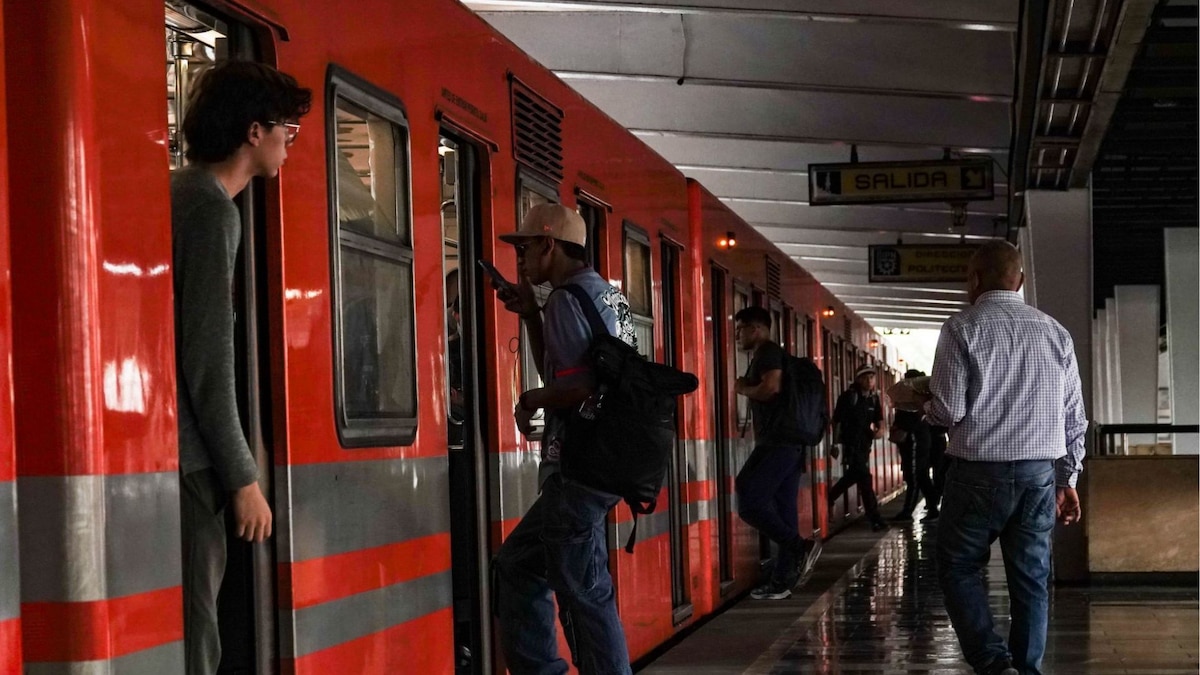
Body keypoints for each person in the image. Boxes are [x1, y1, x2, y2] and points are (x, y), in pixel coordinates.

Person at [171, 60, 311, 675]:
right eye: (287, 129)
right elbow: (206, 360)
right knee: (197, 636)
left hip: (173, 456)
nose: (289, 143)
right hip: (193, 464)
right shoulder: (210, 210)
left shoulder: (177, 192)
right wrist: (243, 480)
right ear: (255, 132)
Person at [921, 240, 1087, 675]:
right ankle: (1026, 670)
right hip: (1039, 476)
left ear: (974, 280)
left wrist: (919, 404)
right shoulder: (1055, 332)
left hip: (976, 475)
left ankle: (994, 664)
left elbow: (948, 410)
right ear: (1021, 280)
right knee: (1031, 579)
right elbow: (1074, 417)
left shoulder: (961, 327)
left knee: (958, 567)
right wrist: (1068, 479)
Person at [491, 204, 635, 675]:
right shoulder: (608, 295)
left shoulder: (566, 299)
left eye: (525, 247)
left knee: (584, 592)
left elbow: (578, 386)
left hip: (579, 463)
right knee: (521, 564)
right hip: (609, 456)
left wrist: (530, 399)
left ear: (549, 244)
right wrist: (532, 317)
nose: (520, 258)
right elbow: (566, 369)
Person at [732, 307, 823, 601]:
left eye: (741, 329)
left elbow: (770, 388)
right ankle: (783, 581)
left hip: (778, 442)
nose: (737, 335)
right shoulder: (771, 354)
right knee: (784, 510)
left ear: (756, 329)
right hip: (790, 444)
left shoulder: (767, 352)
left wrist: (743, 388)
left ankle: (800, 547)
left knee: (749, 497)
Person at [828, 365, 887, 531]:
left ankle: (830, 496)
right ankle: (875, 518)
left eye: (872, 377)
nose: (869, 381)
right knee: (865, 479)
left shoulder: (873, 399)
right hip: (851, 445)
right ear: (858, 379)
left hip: (865, 445)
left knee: (853, 476)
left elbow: (880, 421)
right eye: (866, 378)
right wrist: (834, 444)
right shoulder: (848, 397)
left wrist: (880, 431)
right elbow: (837, 421)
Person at [892, 369, 939, 523]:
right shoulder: (917, 399)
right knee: (922, 476)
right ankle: (933, 507)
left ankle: (908, 512)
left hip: (914, 441)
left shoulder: (914, 401)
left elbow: (910, 421)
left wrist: (899, 429)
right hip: (918, 441)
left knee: (914, 477)